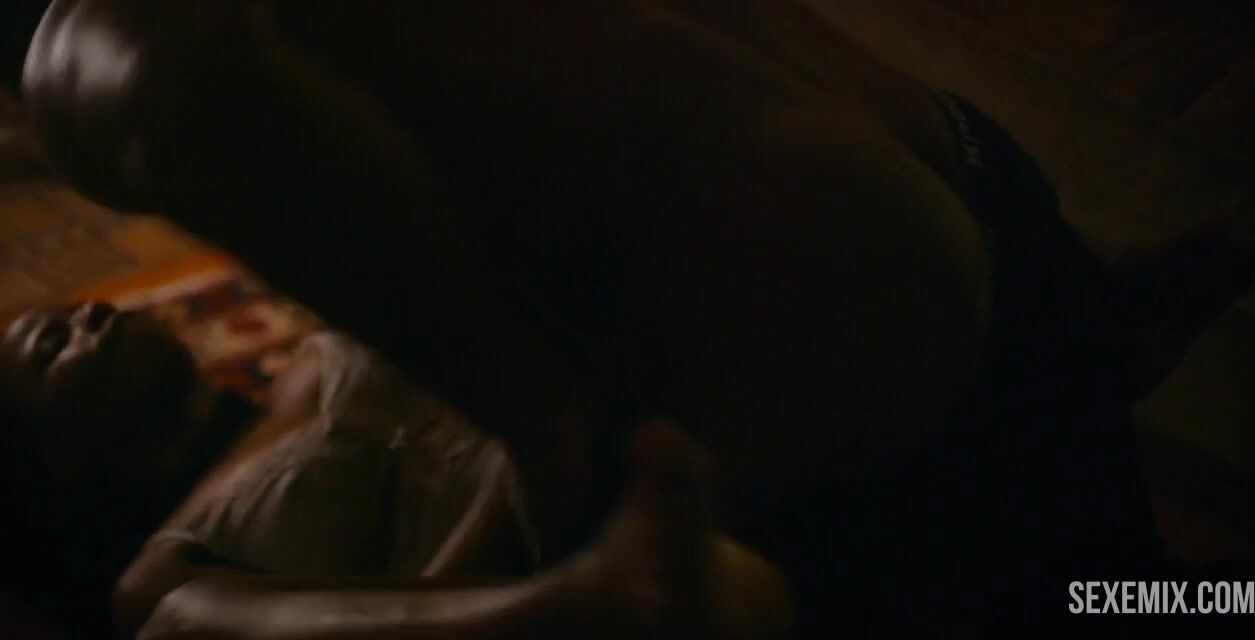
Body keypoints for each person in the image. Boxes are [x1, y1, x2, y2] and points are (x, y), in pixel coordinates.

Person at [10, 0, 1255, 634]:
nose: (75, 319)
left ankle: (1095, 314)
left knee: (1144, 598)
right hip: (768, 472)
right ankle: (577, 581)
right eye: (32, 350)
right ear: (40, 471)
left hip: (946, 330)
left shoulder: (322, 318)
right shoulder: (164, 567)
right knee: (83, 55)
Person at [0, 301, 792, 639]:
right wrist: (517, 495)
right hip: (537, 580)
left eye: (76, 312)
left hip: (599, 484)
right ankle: (589, 599)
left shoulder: (308, 363)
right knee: (174, 619)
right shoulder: (161, 570)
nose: (91, 313)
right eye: (52, 345)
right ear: (56, 458)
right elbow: (418, 595)